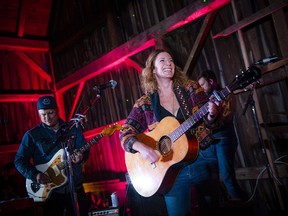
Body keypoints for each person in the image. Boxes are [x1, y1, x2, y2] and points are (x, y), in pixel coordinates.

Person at [119, 49, 223, 216]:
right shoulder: (145, 103)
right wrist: (142, 148)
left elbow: (213, 123)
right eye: (162, 60)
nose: (169, 63)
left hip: (201, 157)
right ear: (153, 70)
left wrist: (212, 115)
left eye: (171, 60)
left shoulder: (190, 89)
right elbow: (125, 133)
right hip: (171, 171)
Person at [14, 96, 89, 216]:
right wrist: (34, 174)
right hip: (51, 192)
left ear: (57, 110)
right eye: (42, 114)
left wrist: (81, 157)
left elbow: (85, 151)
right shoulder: (32, 135)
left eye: (50, 113)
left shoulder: (73, 128)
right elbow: (19, 160)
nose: (47, 117)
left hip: (75, 188)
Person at [197, 70, 244, 202]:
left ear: (211, 82)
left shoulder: (227, 95)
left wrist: (214, 114)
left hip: (223, 140)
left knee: (227, 177)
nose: (200, 89)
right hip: (208, 143)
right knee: (212, 181)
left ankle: (241, 207)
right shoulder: (203, 100)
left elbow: (226, 118)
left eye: (202, 85)